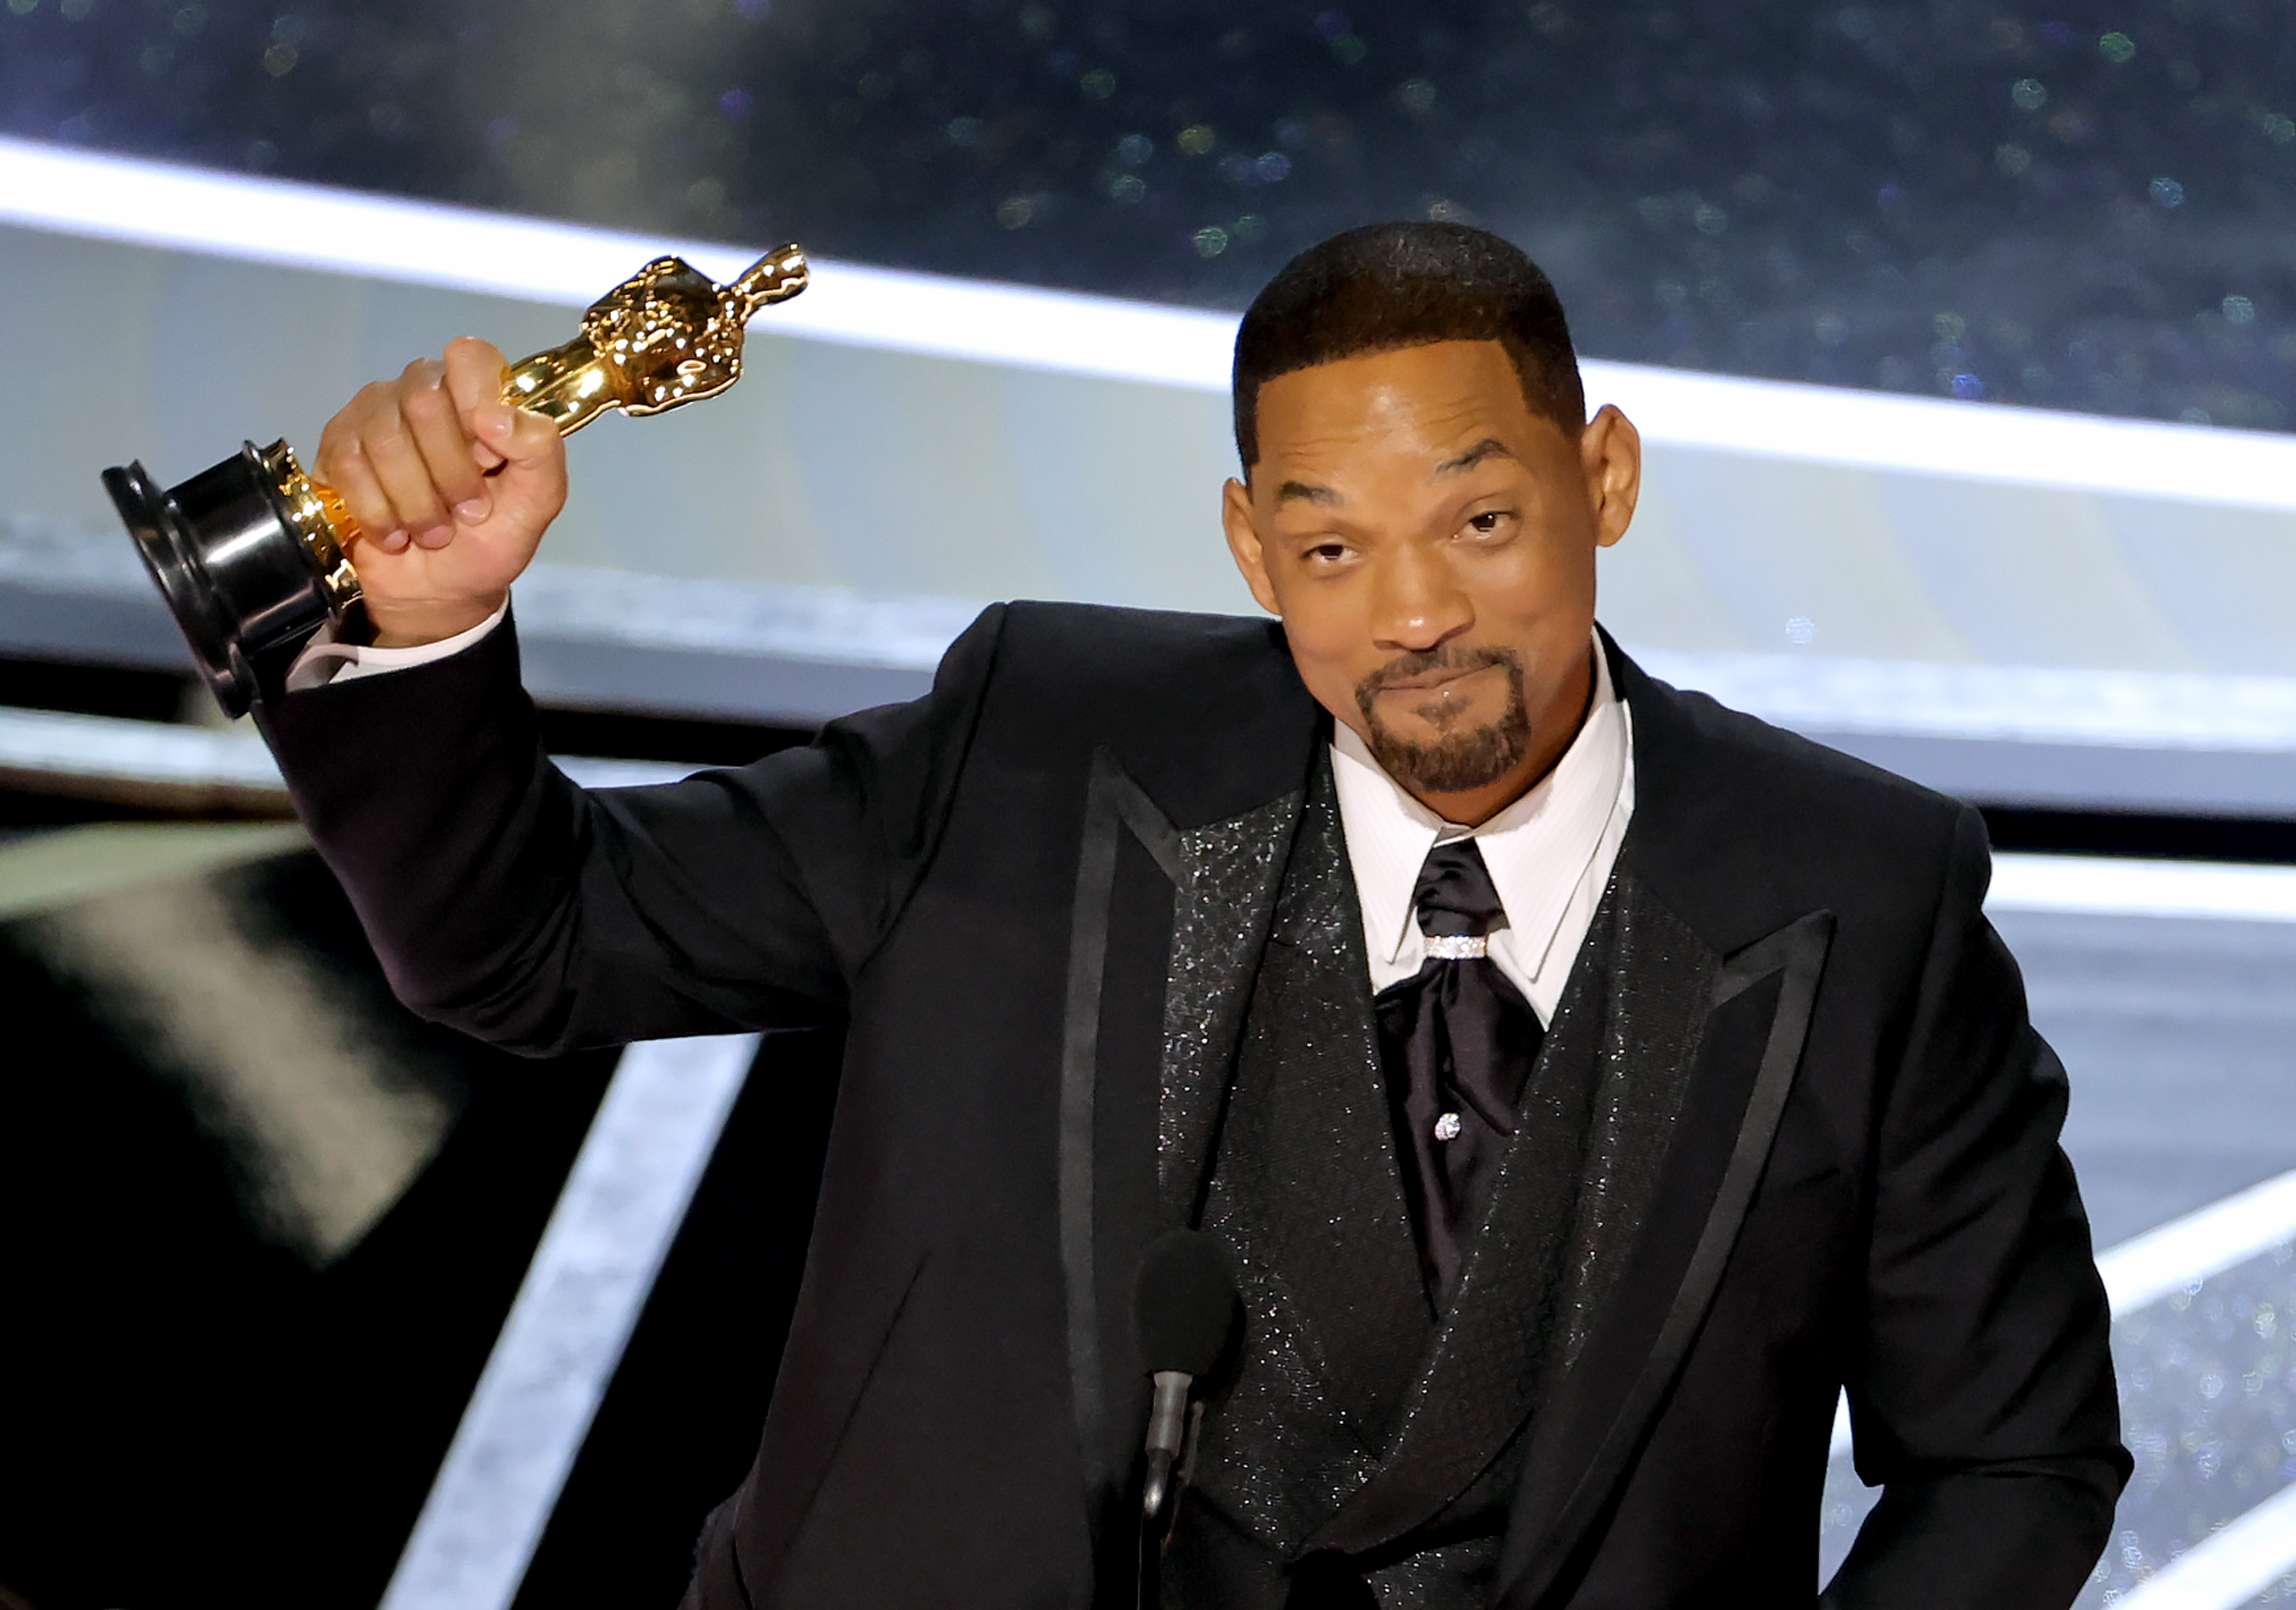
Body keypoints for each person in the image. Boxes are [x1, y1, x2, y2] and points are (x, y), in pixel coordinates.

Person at [259, 223, 2127, 1608]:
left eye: (1476, 523)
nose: (1409, 613)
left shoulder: (1857, 890)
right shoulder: (1031, 750)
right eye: (1329, 545)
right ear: (1248, 549)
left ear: (1601, 478)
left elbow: (2009, 1455)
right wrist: (425, 630)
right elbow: (530, 943)